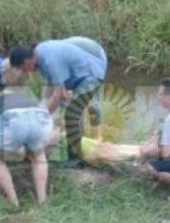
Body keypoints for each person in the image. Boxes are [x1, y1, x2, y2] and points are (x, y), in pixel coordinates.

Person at [9, 36, 107, 168]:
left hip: (90, 75)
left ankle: (77, 160)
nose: (24, 72)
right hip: (80, 76)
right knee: (73, 113)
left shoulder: (49, 60)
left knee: (72, 114)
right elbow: (53, 87)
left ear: (27, 60)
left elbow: (59, 93)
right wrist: (41, 107)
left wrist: (43, 117)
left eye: (22, 68)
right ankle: (79, 150)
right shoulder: (40, 56)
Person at [0, 59, 58, 207]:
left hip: (11, 119)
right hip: (39, 115)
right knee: (38, 156)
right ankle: (42, 200)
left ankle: (13, 202)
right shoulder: (28, 98)